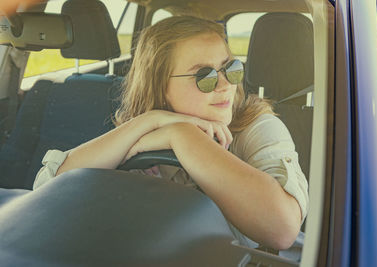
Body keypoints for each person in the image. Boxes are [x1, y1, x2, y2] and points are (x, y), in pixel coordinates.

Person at [33, 16, 308, 250]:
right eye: (205, 76)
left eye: (230, 68)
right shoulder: (145, 129)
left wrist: (183, 136)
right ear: (160, 85)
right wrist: (148, 121)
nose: (225, 85)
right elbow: (48, 193)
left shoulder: (256, 124)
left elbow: (281, 229)